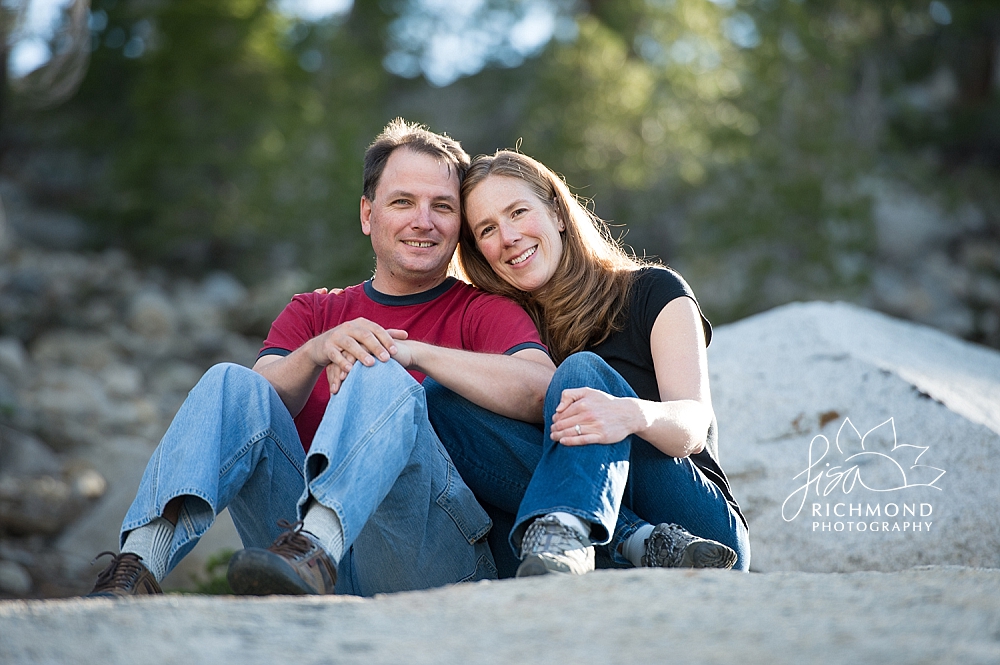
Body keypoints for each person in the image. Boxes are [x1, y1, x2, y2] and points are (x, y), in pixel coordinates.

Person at [86, 120, 555, 598]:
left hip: (427, 558)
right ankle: (136, 568)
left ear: (459, 225)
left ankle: (318, 544)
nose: (423, 221)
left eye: (443, 207)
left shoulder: (485, 311)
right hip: (288, 560)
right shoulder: (314, 311)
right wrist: (315, 351)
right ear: (368, 214)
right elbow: (248, 412)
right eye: (402, 202)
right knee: (230, 380)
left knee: (377, 364)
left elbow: (542, 390)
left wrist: (412, 355)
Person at [424, 150, 750, 577]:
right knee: (440, 398)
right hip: (623, 550)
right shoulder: (511, 339)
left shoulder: (652, 291)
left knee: (581, 373)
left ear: (558, 212)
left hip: (701, 528)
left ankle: (574, 532)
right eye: (487, 229)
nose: (507, 237)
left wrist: (629, 414)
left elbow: (691, 425)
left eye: (518, 212)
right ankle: (630, 539)